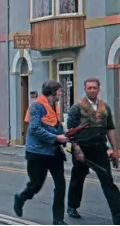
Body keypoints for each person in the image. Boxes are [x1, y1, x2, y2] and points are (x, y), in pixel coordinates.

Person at [65, 77, 120, 224]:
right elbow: (70, 132)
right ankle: (72, 206)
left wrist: (115, 151)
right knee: (78, 179)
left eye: (94, 88)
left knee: (108, 181)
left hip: (100, 149)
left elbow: (110, 129)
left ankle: (118, 216)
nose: (92, 90)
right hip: (82, 149)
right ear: (85, 89)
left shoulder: (105, 107)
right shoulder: (76, 108)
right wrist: (77, 151)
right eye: (89, 88)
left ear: (99, 89)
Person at [14, 80, 68, 225]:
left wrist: (65, 136)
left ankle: (58, 219)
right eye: (59, 90)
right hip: (37, 153)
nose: (61, 93)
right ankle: (21, 198)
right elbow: (35, 129)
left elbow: (57, 125)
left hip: (54, 151)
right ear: (52, 92)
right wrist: (56, 137)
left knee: (61, 184)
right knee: (36, 185)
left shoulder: (54, 105)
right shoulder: (36, 106)